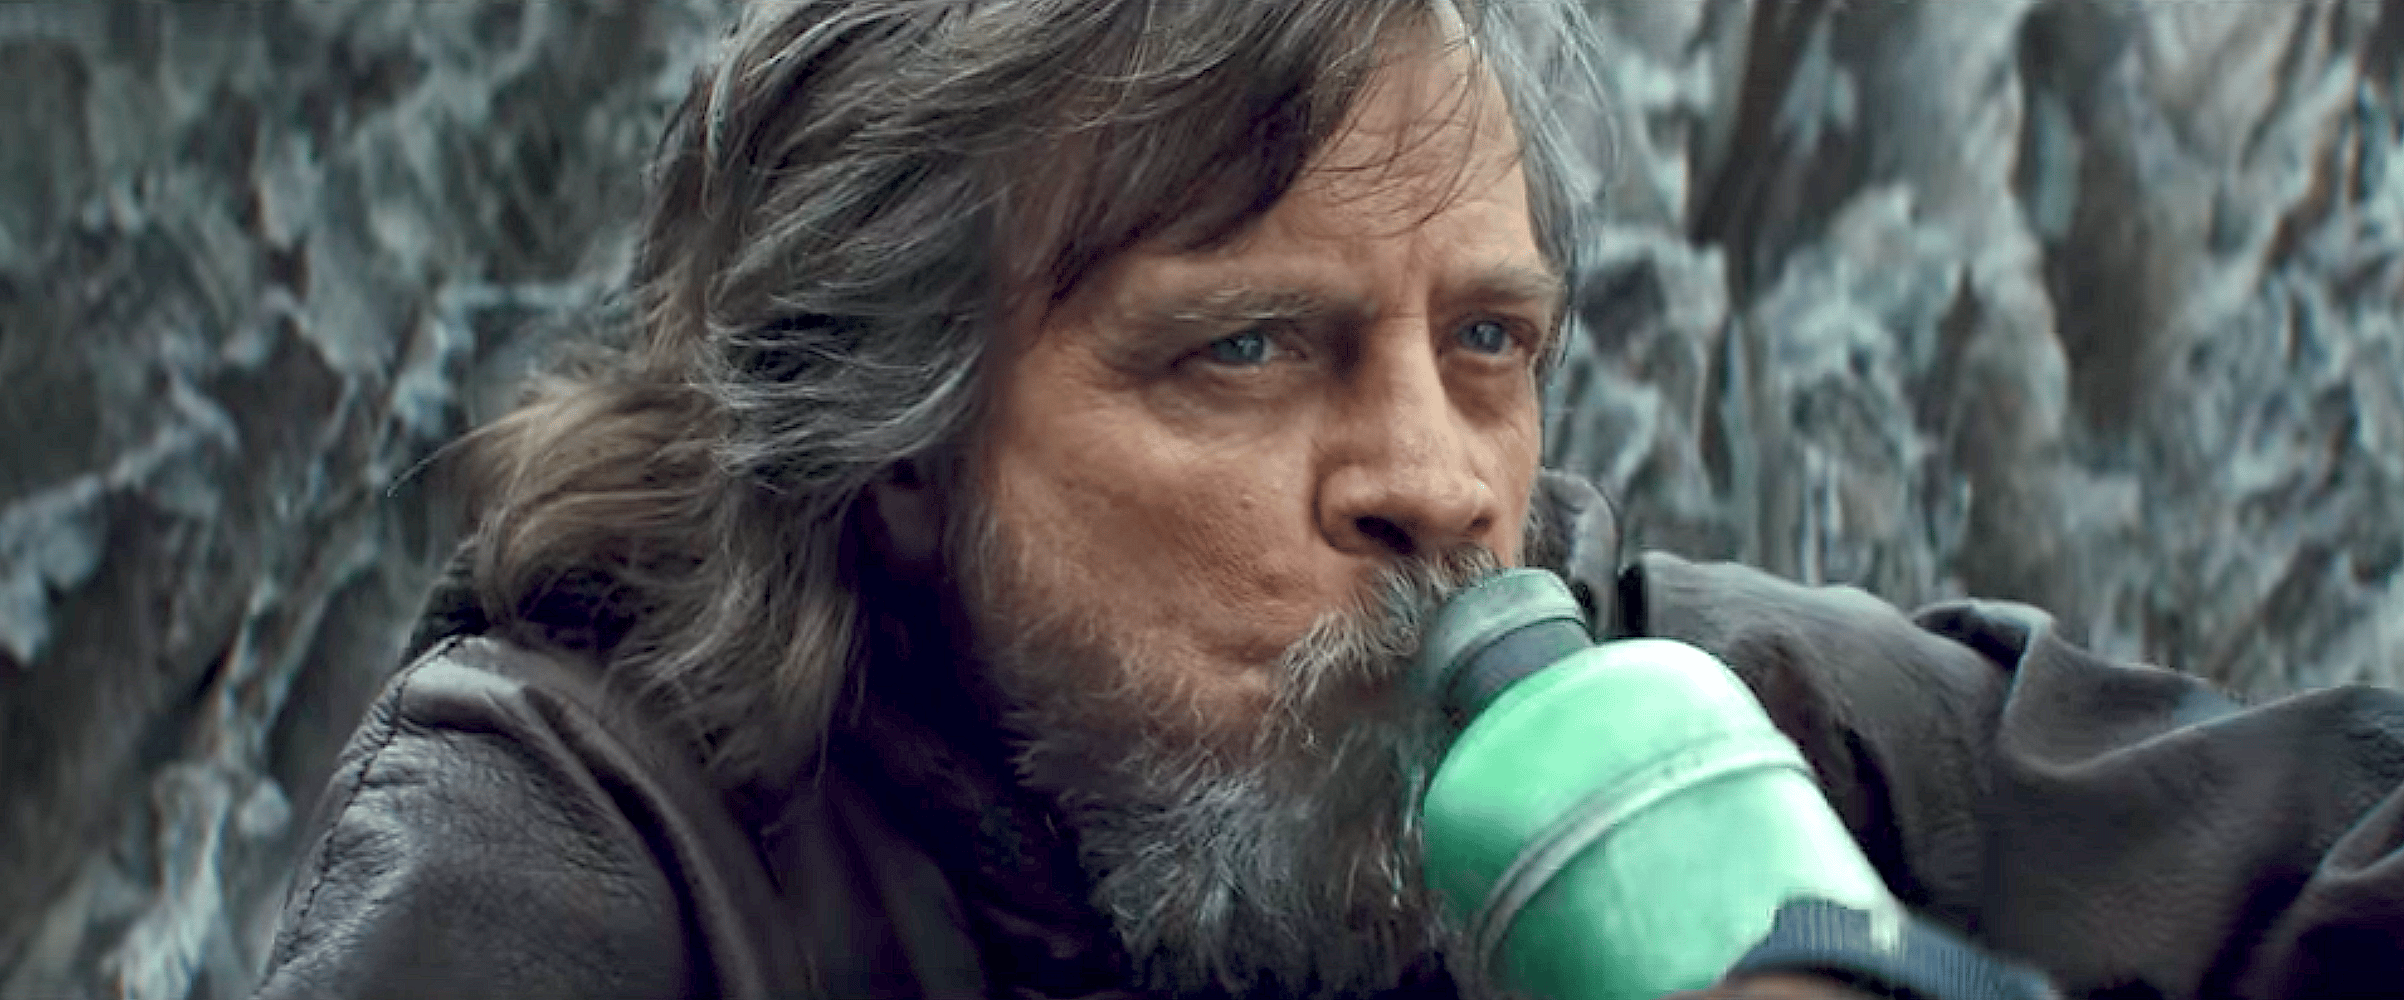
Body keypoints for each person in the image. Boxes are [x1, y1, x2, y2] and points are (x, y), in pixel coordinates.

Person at [252, 1, 2404, 998]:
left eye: (1489, 341)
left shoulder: (1696, 739)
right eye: (1249, 347)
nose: (1437, 485)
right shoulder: (600, 846)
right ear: (894, 443)